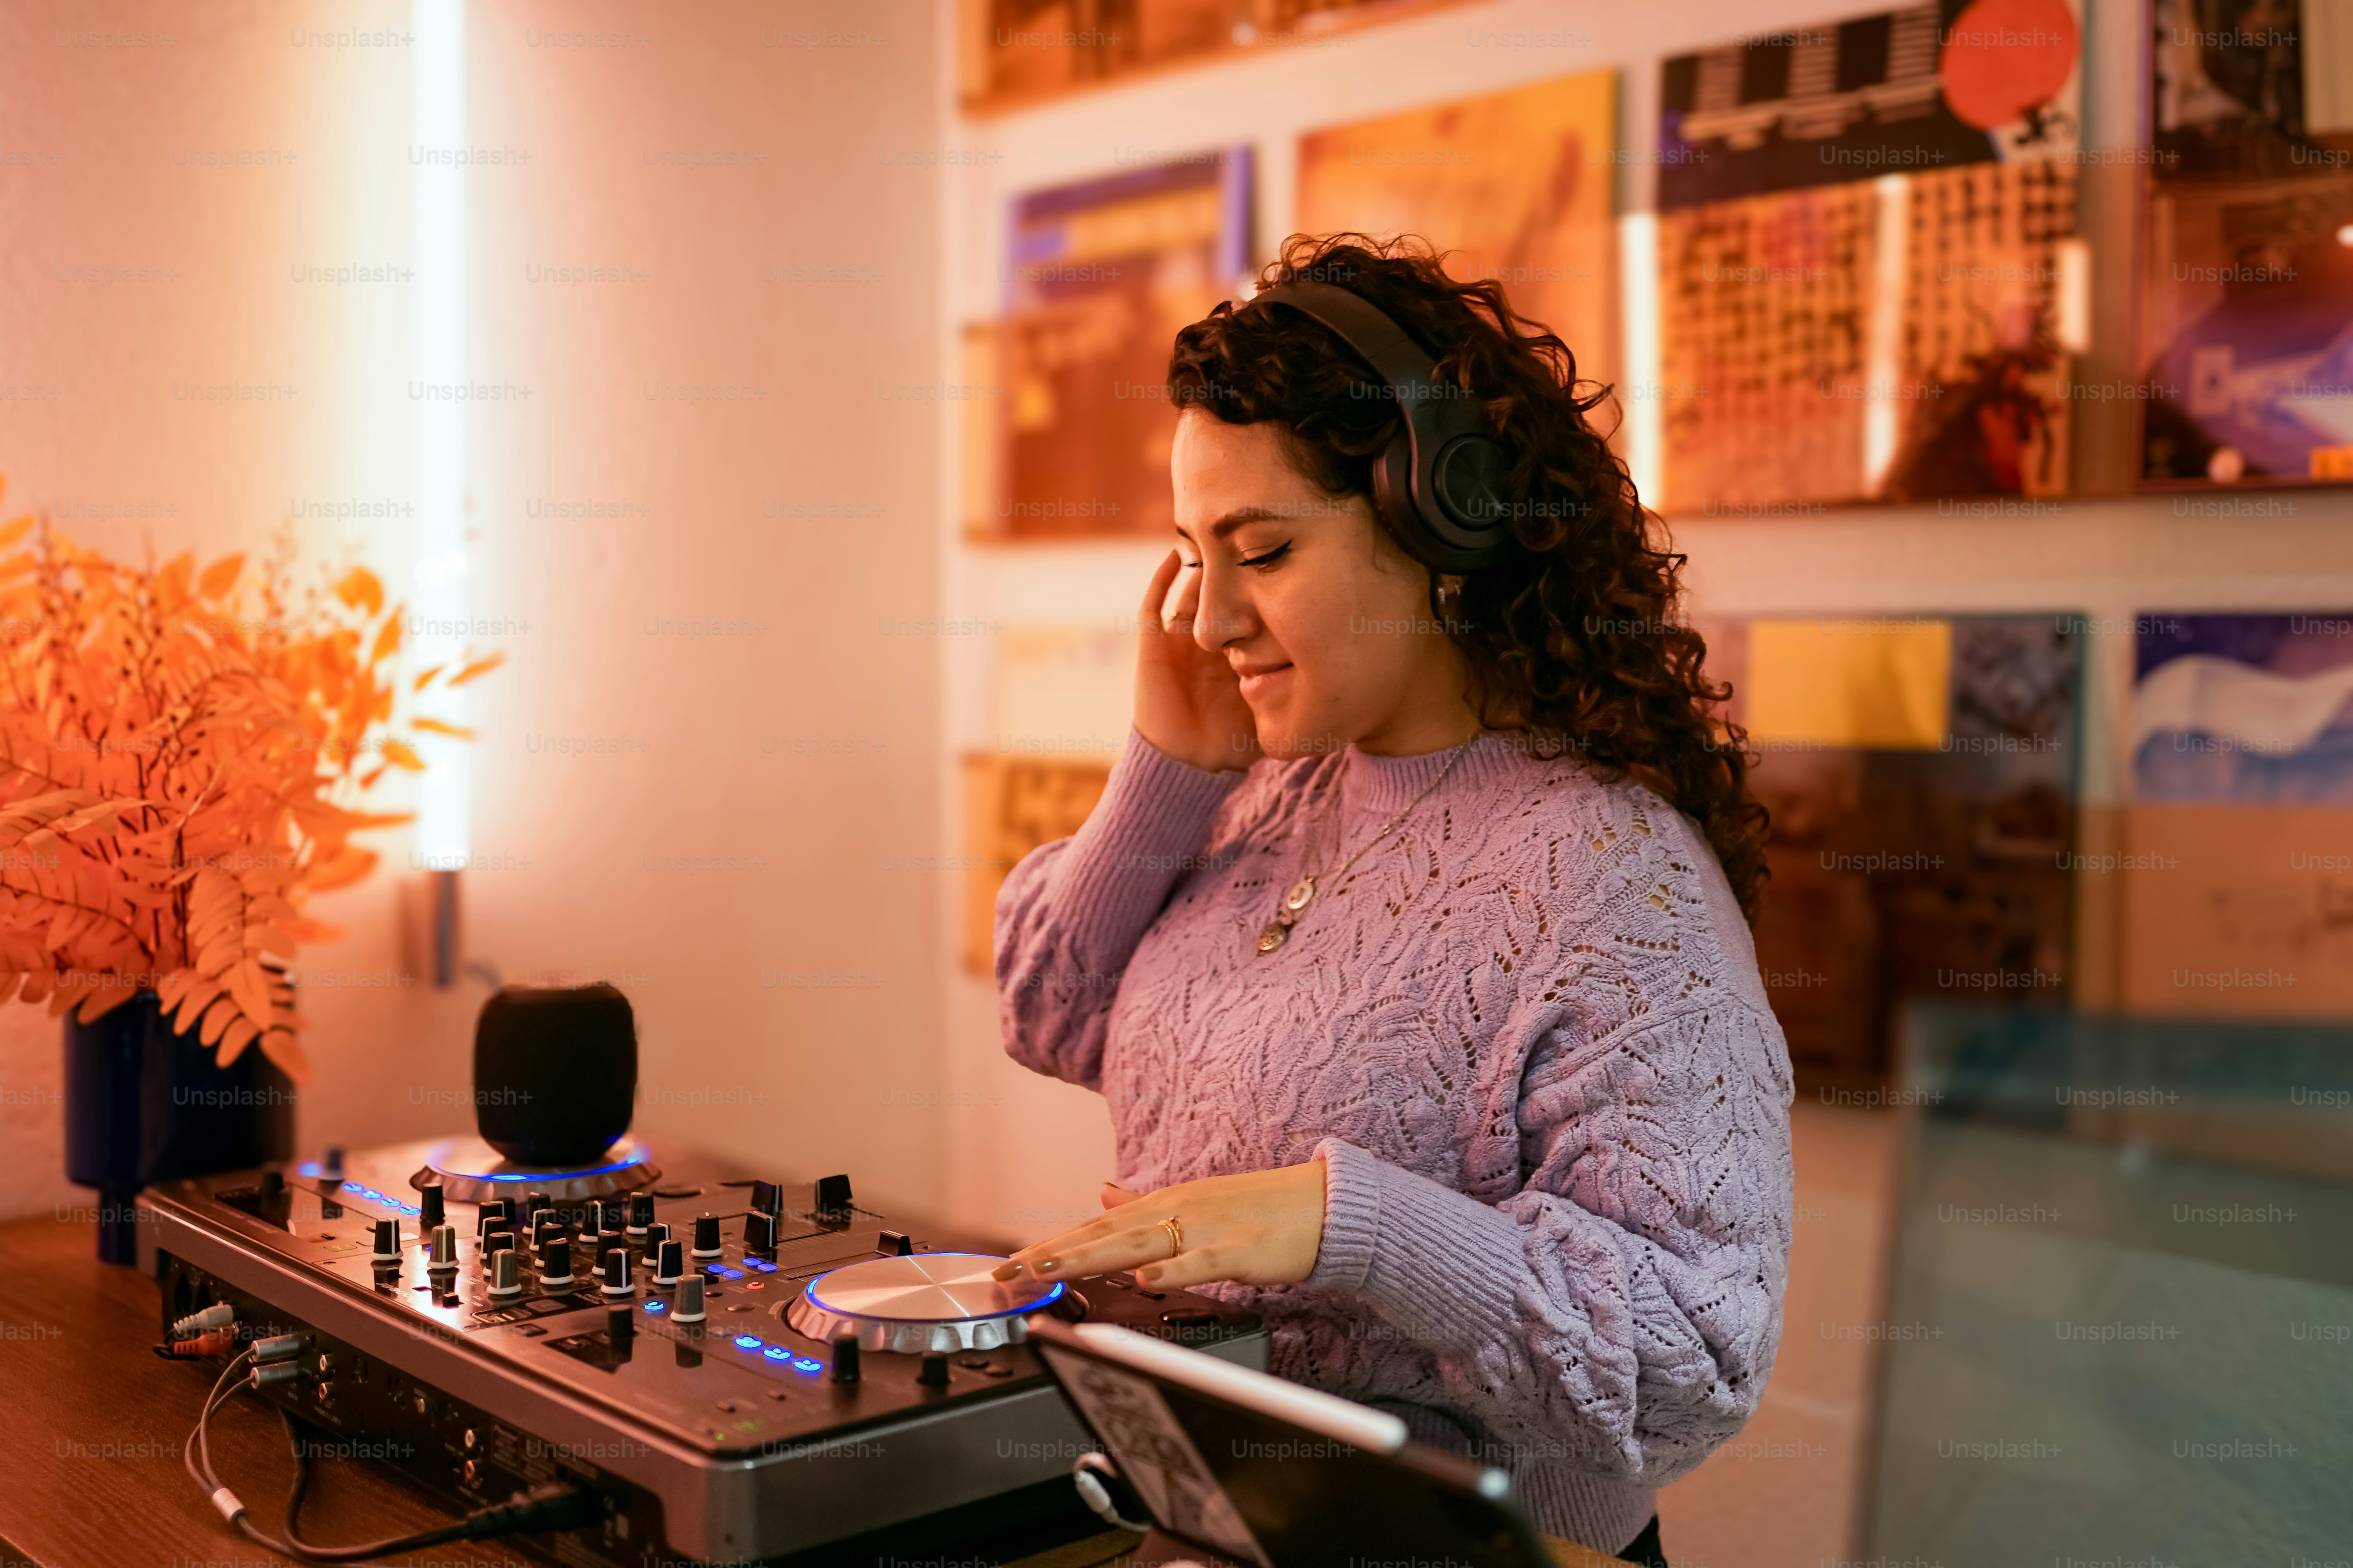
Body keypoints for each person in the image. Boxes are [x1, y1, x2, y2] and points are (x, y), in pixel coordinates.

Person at [991, 233, 1794, 1567]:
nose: (1209, 620)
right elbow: (1046, 1012)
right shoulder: (1259, 789)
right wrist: (1163, 775)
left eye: (1262, 551)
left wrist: (1348, 1227)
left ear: (1440, 524)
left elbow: (1688, 1361)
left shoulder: (1616, 878)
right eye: (1192, 556)